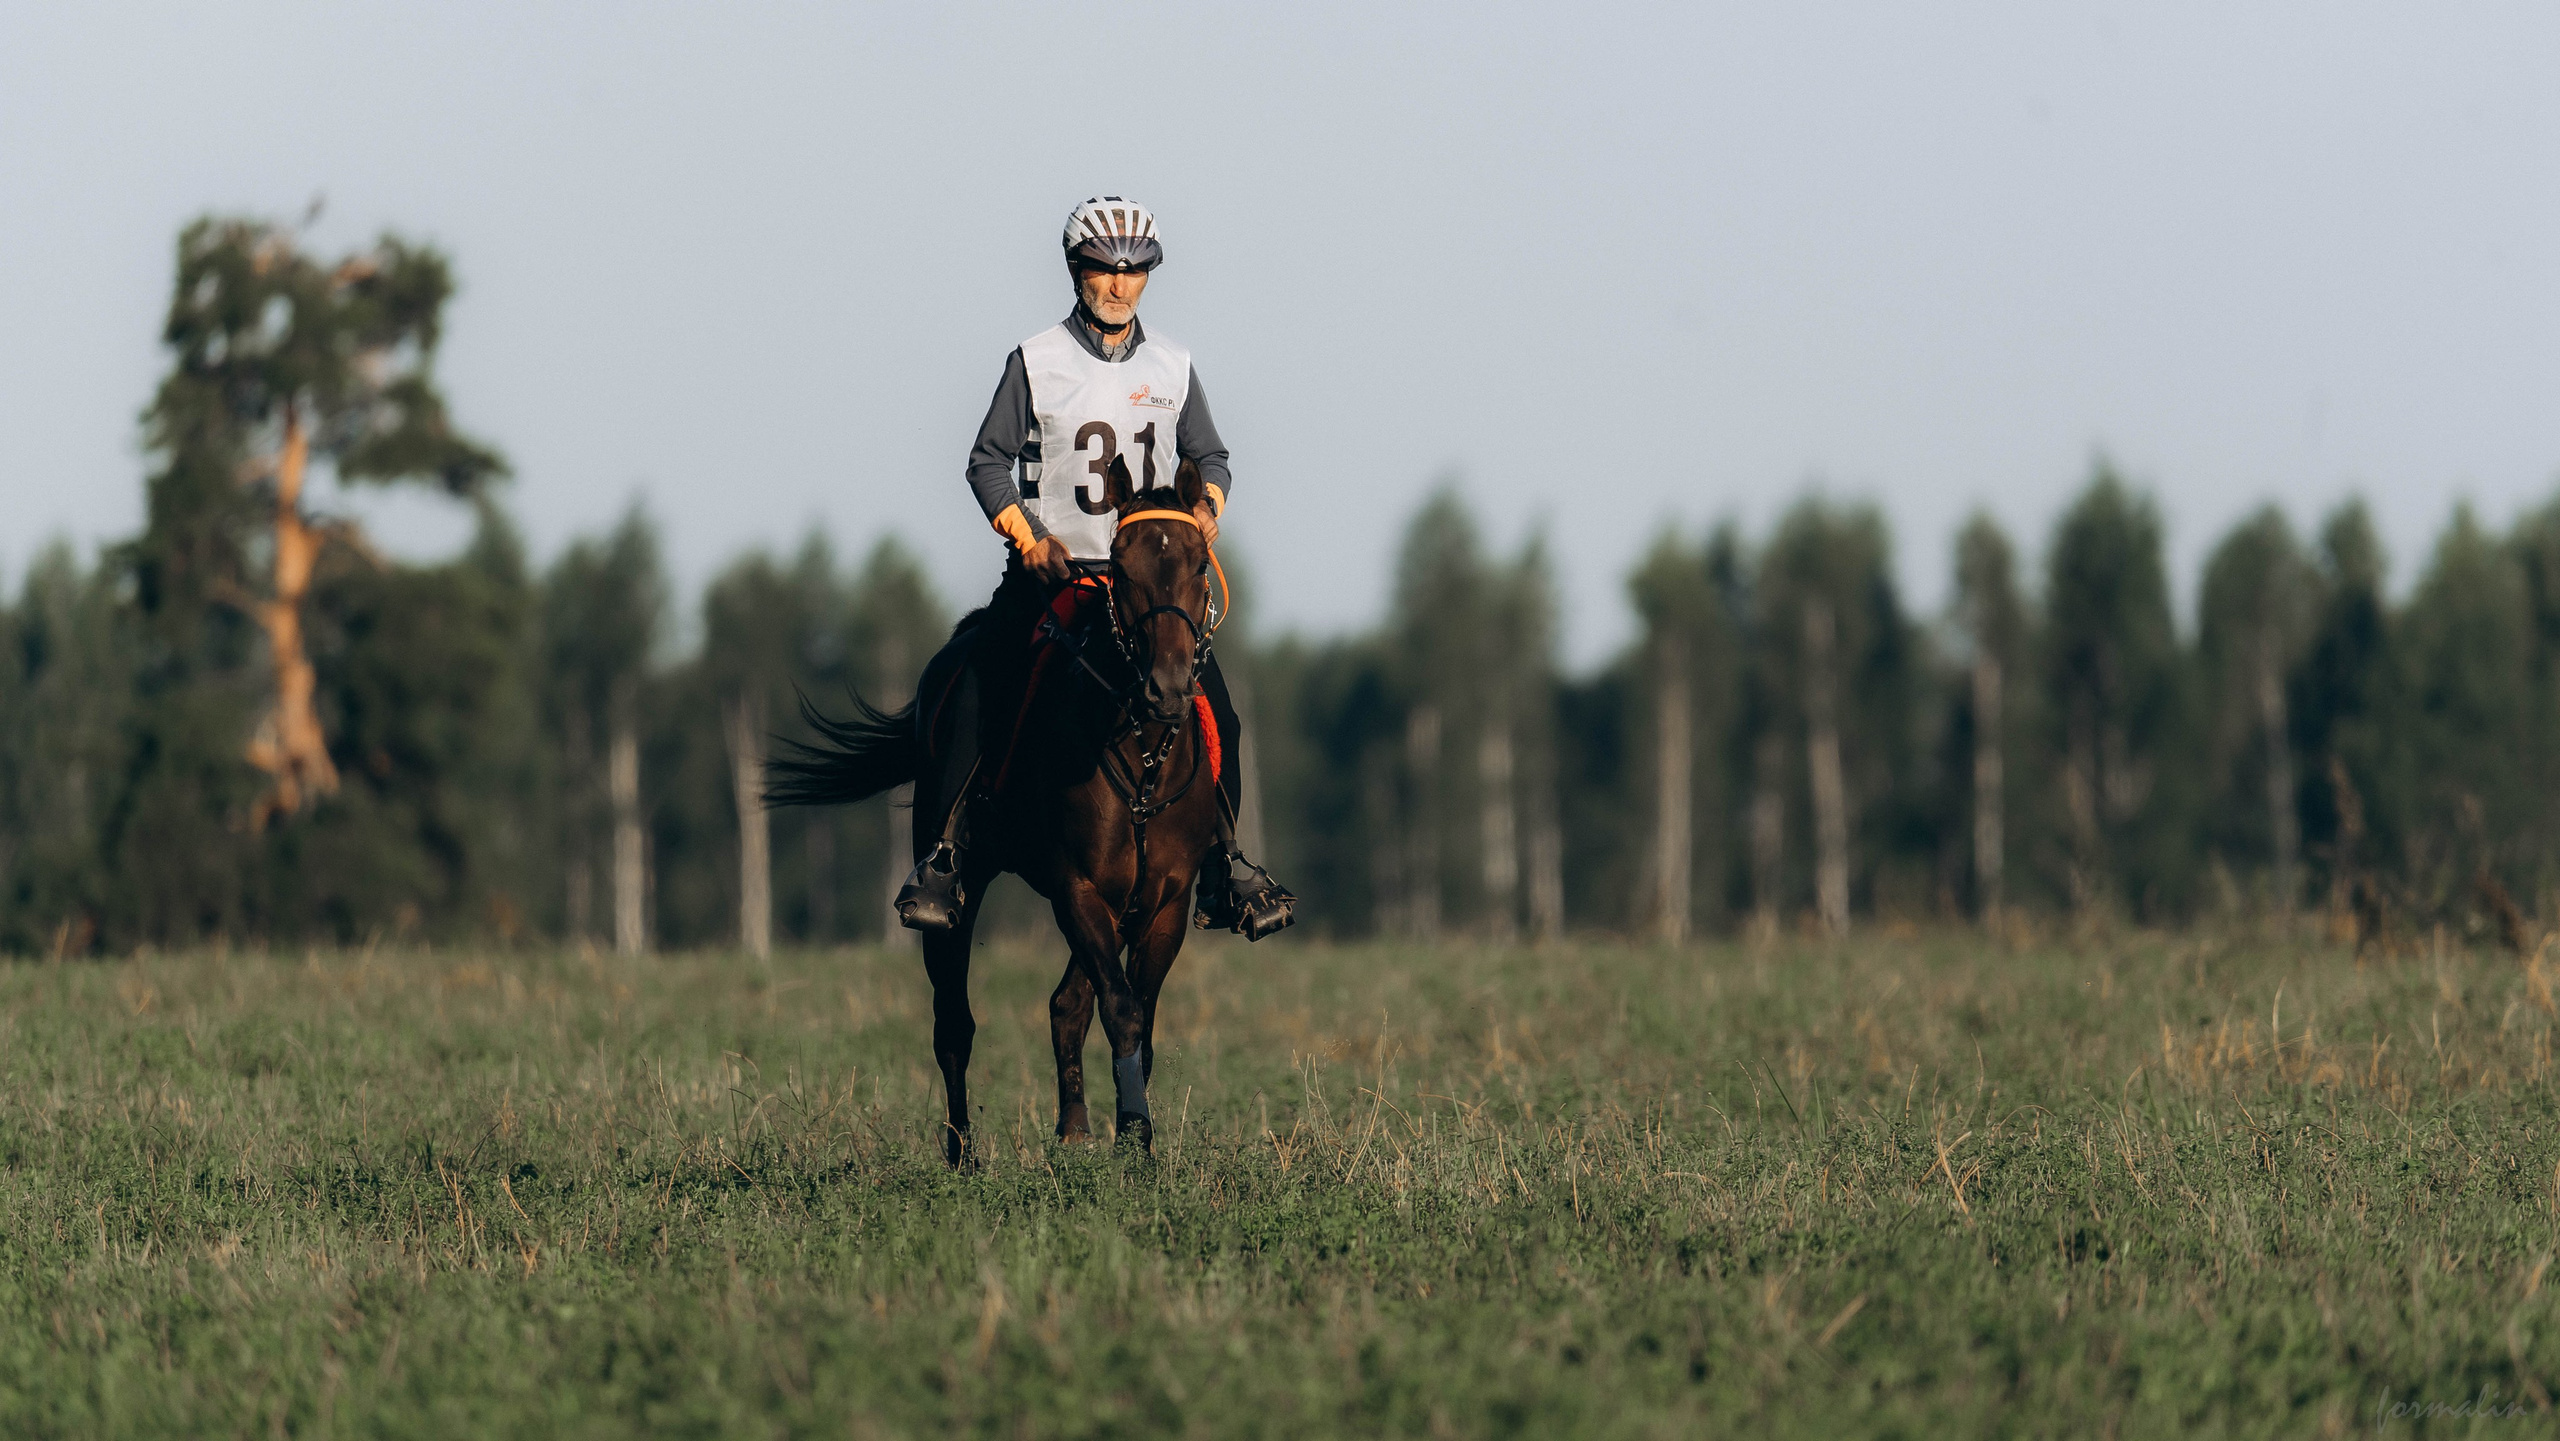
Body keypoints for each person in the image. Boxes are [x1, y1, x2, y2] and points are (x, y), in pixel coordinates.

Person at [895, 196, 1294, 939]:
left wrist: (1206, 508)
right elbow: (987, 462)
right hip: (1053, 576)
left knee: (1220, 713)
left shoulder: (1174, 366)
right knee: (979, 682)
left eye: (1134, 272)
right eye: (1104, 271)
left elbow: (1212, 457)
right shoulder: (1035, 361)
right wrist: (1030, 538)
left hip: (1144, 587)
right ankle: (945, 858)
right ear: (1076, 272)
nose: (1119, 285)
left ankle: (1227, 867)